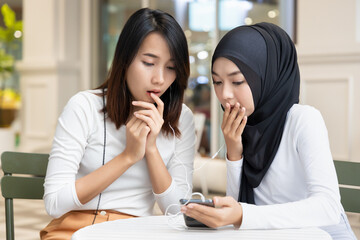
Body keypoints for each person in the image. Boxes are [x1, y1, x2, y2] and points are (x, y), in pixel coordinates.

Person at [181, 22, 357, 239]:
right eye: (217, 81)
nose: (225, 93)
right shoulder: (244, 126)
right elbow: (238, 209)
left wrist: (243, 214)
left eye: (237, 81)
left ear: (266, 77)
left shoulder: (303, 119)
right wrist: (234, 151)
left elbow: (327, 207)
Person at [41, 8, 195, 239]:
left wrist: (151, 150)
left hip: (134, 232)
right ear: (124, 60)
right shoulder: (84, 107)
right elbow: (54, 203)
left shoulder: (181, 118)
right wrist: (128, 157)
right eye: (148, 62)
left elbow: (178, 212)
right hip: (74, 230)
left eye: (171, 67)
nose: (160, 79)